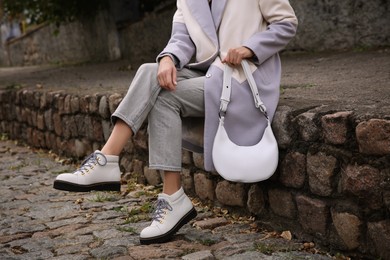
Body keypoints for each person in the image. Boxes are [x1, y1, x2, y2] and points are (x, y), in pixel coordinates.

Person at [53, 0, 298, 245]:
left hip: (243, 79)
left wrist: (249, 47)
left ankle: (165, 194)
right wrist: (168, 58)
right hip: (210, 76)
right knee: (151, 72)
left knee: (165, 96)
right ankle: (112, 161)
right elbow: (181, 38)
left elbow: (286, 23)